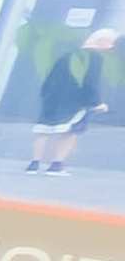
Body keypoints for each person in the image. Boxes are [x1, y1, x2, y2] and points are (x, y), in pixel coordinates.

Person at [29, 27, 119, 173]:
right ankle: (56, 165)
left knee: (43, 129)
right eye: (110, 43)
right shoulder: (95, 58)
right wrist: (96, 103)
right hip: (76, 103)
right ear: (101, 42)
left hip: (53, 99)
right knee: (71, 132)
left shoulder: (67, 55)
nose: (111, 47)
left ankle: (34, 163)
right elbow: (91, 82)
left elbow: (50, 78)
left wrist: (46, 96)